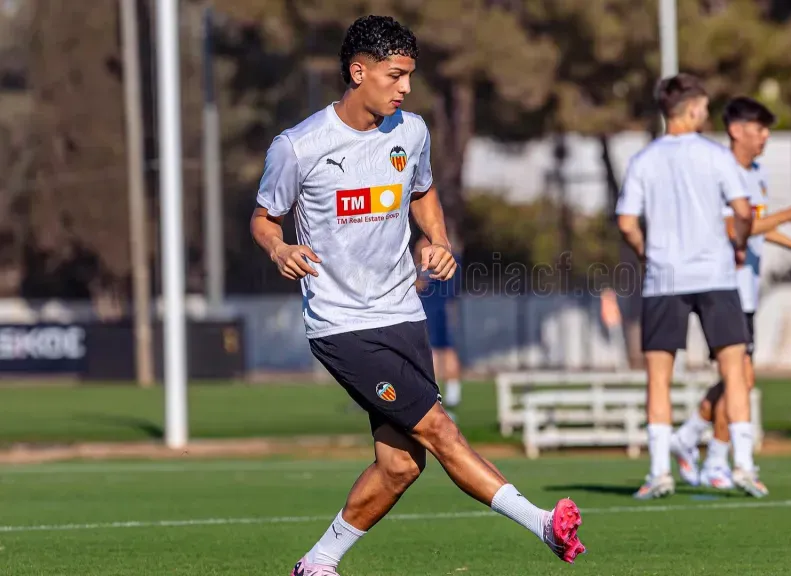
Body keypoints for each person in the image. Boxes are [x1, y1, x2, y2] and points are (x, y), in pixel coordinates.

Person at [249, 16, 585, 576]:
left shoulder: (413, 132)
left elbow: (423, 192)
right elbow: (263, 220)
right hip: (342, 325)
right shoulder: (298, 146)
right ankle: (542, 524)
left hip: (402, 313)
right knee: (439, 428)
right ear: (359, 72)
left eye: (409, 76)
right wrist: (280, 250)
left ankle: (317, 563)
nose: (405, 88)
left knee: (402, 466)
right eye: (395, 75)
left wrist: (439, 239)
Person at [669, 96, 791, 494]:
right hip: (723, 288)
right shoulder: (719, 171)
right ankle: (717, 460)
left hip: (747, 291)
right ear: (736, 130)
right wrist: (790, 214)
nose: (764, 138)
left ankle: (689, 438)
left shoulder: (755, 173)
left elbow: (756, 224)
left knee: (738, 377)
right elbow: (733, 227)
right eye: (758, 130)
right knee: (739, 376)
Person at [615, 73, 758, 500]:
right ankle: (745, 467)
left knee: (658, 378)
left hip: (665, 280)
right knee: (734, 371)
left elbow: (626, 222)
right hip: (716, 276)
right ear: (693, 110)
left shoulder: (644, 160)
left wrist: (645, 251)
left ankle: (660, 472)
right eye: (705, 109)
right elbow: (743, 210)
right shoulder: (717, 157)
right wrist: (739, 242)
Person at [413, 233, 463, 408]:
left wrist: (418, 256)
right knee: (442, 350)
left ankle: (442, 393)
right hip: (438, 308)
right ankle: (449, 394)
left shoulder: (437, 259)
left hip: (436, 310)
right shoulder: (449, 258)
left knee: (439, 351)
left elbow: (419, 284)